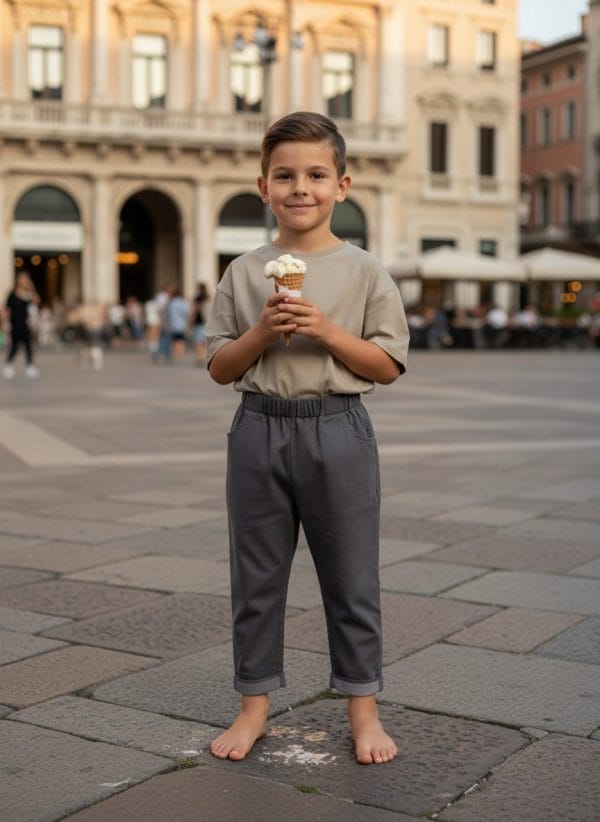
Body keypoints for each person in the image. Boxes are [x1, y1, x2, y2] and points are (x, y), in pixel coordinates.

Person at [205, 112, 409, 766]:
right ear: (262, 186)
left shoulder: (366, 271)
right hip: (259, 428)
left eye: (317, 174)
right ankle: (254, 704)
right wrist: (262, 334)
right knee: (256, 576)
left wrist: (324, 330)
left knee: (351, 576)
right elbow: (219, 367)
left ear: (342, 185)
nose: (301, 187)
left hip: (338, 429)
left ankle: (363, 707)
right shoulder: (242, 272)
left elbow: (386, 366)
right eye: (285, 175)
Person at [2, 271, 41, 379]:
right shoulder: (12, 294)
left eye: (26, 279)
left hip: (26, 324)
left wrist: (32, 288)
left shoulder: (28, 294)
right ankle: (8, 365)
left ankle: (30, 367)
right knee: (14, 347)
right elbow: (6, 310)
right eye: (22, 279)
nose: (24, 281)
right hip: (15, 324)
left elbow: (37, 301)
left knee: (28, 346)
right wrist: (5, 323)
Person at [165, 288, 190, 360]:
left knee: (173, 340)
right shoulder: (181, 302)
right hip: (180, 324)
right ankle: (180, 354)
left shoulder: (170, 303)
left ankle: (174, 354)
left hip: (172, 324)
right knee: (181, 340)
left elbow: (167, 314)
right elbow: (186, 313)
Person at [192, 281, 210, 365]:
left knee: (198, 340)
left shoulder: (198, 297)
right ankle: (203, 356)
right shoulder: (208, 297)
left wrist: (192, 318)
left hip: (199, 320)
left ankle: (199, 357)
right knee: (203, 340)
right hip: (207, 321)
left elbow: (196, 309)